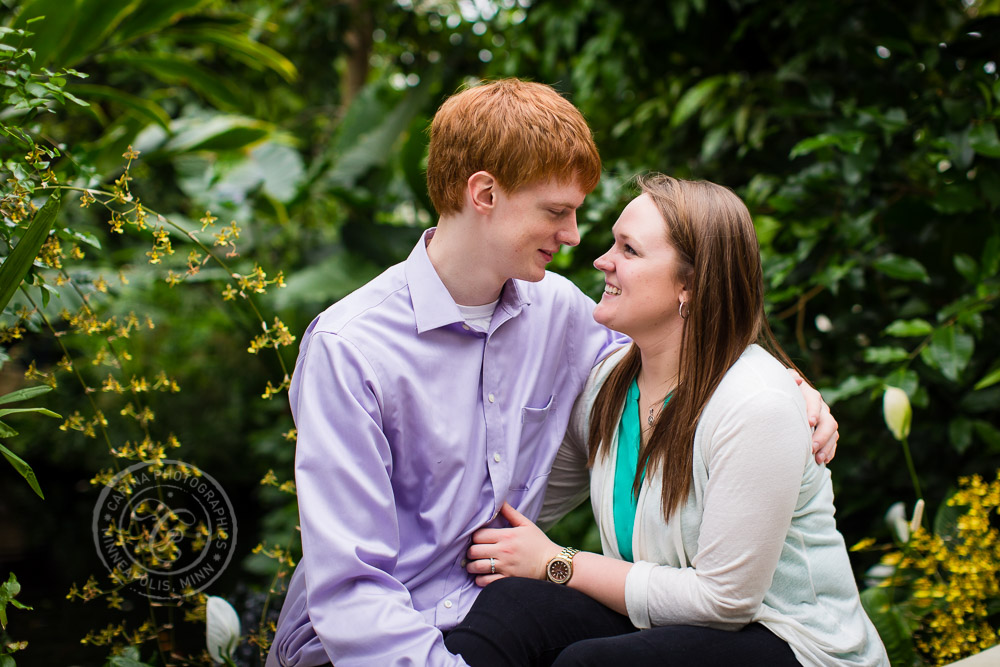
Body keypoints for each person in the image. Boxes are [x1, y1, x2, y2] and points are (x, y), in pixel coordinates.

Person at [266, 82, 840, 667]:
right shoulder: (351, 350)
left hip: (486, 608)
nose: (574, 237)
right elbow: (352, 592)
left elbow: (693, 357)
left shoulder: (560, 313)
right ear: (484, 193)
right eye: (556, 211)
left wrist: (795, 392)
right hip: (377, 640)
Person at [448, 174, 887, 666]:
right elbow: (529, 504)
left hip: (794, 643)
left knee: (591, 665)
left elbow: (724, 602)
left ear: (690, 284)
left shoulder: (756, 404)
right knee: (513, 607)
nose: (602, 260)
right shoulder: (607, 387)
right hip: (671, 623)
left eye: (629, 250)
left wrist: (558, 562)